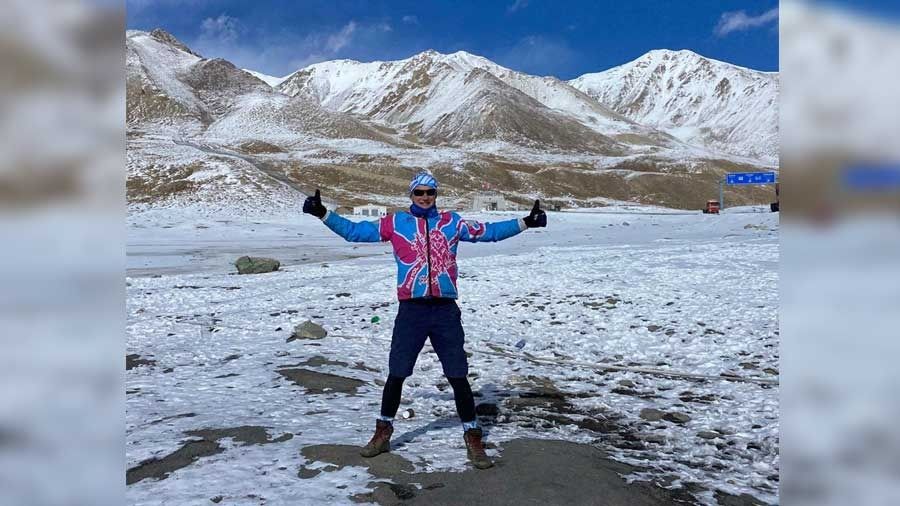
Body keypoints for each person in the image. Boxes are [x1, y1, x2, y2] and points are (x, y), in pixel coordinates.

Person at [302, 171, 547, 469]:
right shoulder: (396, 223)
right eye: (419, 192)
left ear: (436, 195)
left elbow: (490, 231)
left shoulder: (452, 222)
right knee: (398, 372)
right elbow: (354, 232)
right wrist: (323, 214)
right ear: (411, 195)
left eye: (430, 192)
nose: (425, 197)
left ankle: (473, 436)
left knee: (457, 375)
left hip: (445, 310)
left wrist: (525, 222)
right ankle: (383, 432)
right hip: (412, 311)